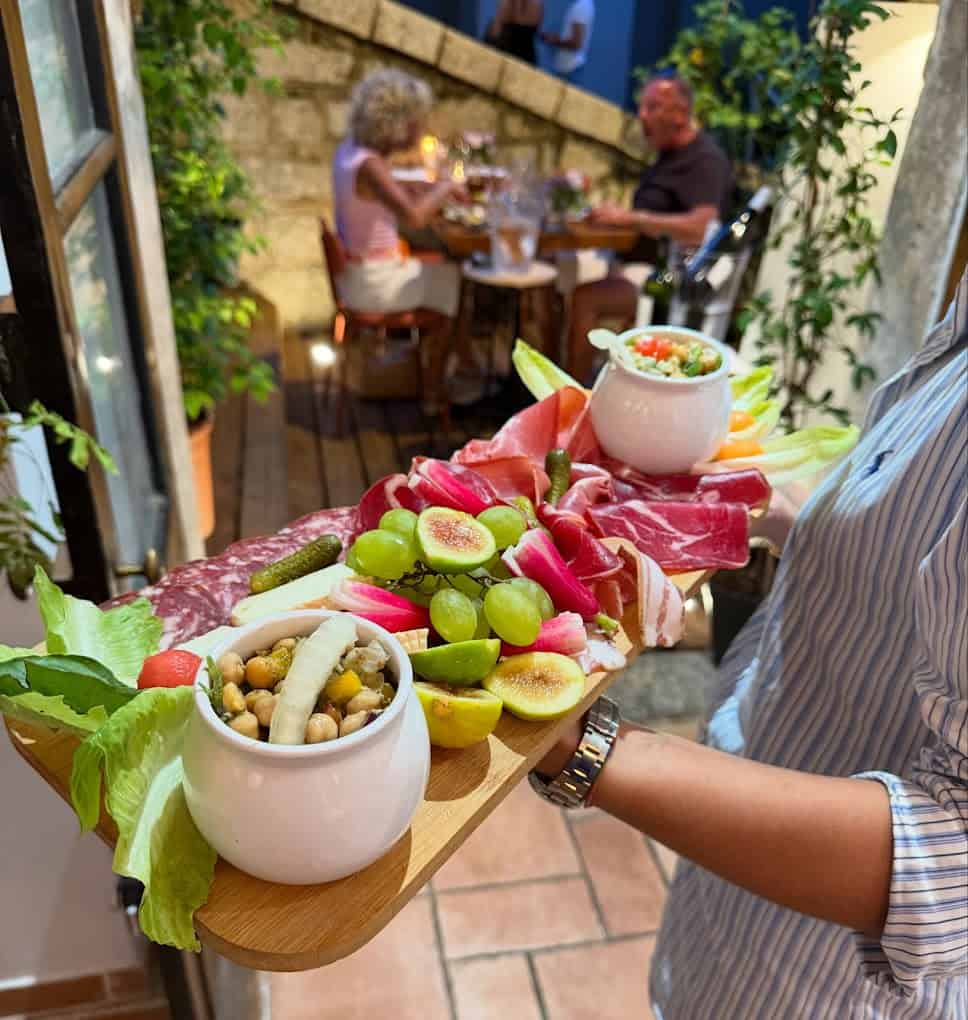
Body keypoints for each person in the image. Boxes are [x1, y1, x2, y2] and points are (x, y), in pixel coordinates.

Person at [534, 272, 968, 1019]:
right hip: (732, 914)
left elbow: (950, 867)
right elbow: (915, 567)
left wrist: (579, 746)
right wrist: (768, 513)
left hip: (824, 988)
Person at [566, 76, 734, 381]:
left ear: (681, 115)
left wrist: (631, 219)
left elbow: (701, 227)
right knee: (564, 268)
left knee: (584, 298)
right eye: (642, 106)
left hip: (667, 279)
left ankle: (574, 399)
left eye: (653, 107)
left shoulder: (705, 161)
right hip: (634, 263)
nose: (642, 115)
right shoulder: (669, 155)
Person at [331, 70, 463, 412]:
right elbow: (414, 217)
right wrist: (446, 185)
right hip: (374, 285)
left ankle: (429, 372)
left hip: (358, 274)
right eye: (416, 123)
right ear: (394, 123)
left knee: (443, 272)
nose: (420, 131)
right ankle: (434, 389)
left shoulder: (350, 151)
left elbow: (384, 194)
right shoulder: (370, 165)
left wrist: (420, 189)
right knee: (458, 282)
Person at [540, 0, 594, 85]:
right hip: (568, 70)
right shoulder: (583, 5)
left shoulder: (582, 6)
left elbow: (576, 43)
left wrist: (553, 40)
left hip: (569, 70)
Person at [486, 0, 544, 66]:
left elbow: (495, 33)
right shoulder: (538, 6)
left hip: (506, 53)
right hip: (525, 55)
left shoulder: (505, 4)